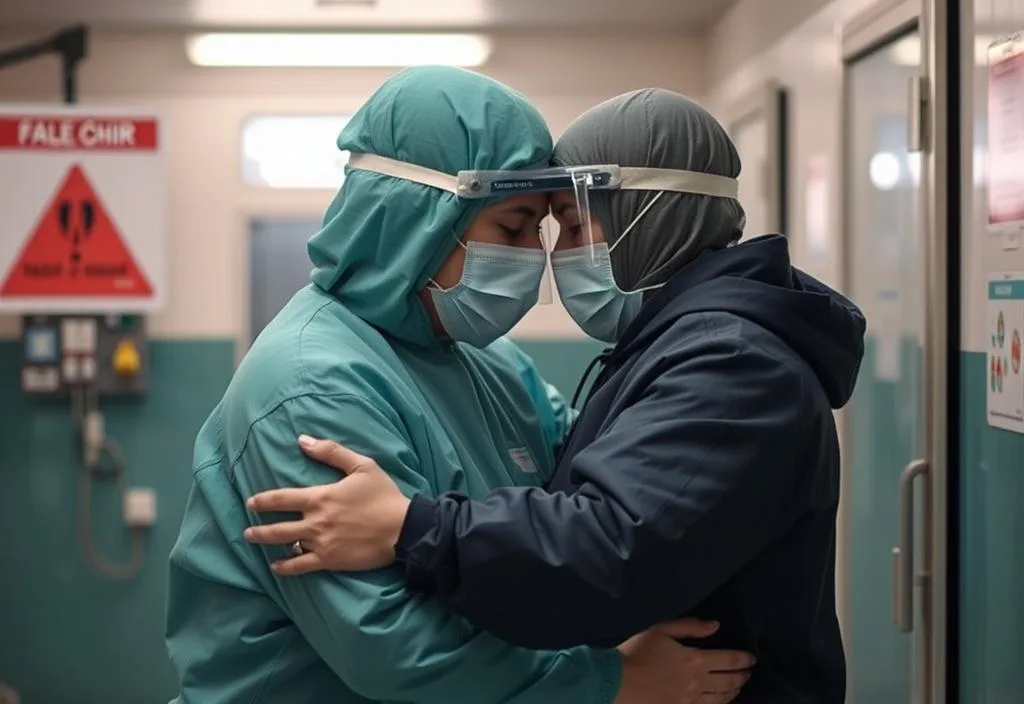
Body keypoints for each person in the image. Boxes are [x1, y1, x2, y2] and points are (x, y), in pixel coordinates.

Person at [244, 89, 867, 703]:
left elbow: (604, 539)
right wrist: (606, 677)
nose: (544, 258)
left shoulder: (730, 363)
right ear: (425, 222)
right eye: (519, 228)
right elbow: (385, 642)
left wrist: (413, 528)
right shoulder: (311, 380)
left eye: (566, 225)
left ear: (644, 220)